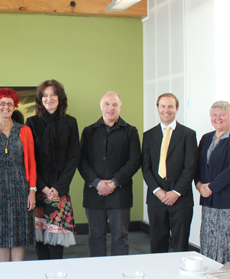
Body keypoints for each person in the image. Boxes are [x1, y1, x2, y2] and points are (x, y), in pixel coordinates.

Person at [78, 91, 141, 256]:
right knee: (95, 236)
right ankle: (97, 270)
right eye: (107, 104)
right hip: (94, 193)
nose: (110, 108)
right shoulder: (88, 131)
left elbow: (134, 161)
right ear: (101, 106)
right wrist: (96, 182)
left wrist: (114, 182)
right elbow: (81, 161)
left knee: (120, 237)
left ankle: (118, 270)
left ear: (120, 107)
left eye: (114, 104)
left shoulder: (131, 131)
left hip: (120, 193)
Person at [25, 80, 79, 259]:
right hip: (38, 189)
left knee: (56, 243)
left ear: (60, 98)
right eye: (45, 95)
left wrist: (58, 187)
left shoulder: (70, 122)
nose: (49, 99)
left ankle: (56, 274)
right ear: (40, 100)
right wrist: (43, 187)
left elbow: (73, 157)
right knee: (40, 240)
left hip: (59, 191)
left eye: (53, 94)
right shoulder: (31, 122)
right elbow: (29, 159)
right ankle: (43, 272)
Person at [0, 88, 36, 262]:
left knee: (18, 234)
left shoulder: (25, 131)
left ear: (15, 107)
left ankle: (17, 274)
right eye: (2, 103)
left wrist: (32, 191)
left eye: (10, 103)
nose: (6, 107)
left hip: (21, 188)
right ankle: (3, 274)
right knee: (1, 235)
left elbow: (31, 162)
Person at [141, 93, 198, 253]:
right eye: (163, 106)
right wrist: (157, 191)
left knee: (180, 245)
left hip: (181, 199)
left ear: (177, 109)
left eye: (170, 106)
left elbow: (191, 167)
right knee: (157, 244)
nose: (166, 110)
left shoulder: (188, 134)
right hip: (156, 199)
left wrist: (176, 192)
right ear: (158, 108)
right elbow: (145, 167)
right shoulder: (148, 135)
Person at [195, 101, 230, 264]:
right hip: (209, 200)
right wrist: (199, 185)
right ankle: (210, 271)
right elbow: (198, 166)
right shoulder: (206, 138)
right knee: (210, 239)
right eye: (214, 114)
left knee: (229, 241)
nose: (218, 118)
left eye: (222, 114)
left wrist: (211, 187)